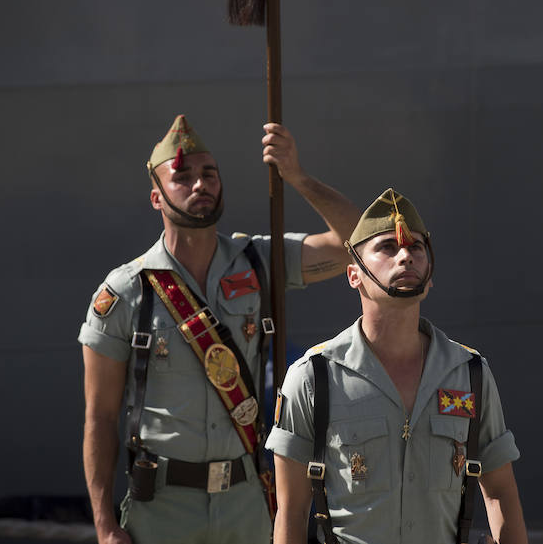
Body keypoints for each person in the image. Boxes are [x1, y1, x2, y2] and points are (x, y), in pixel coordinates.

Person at [79, 114, 360, 544]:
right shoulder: (125, 292)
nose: (199, 184)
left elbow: (354, 246)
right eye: (182, 176)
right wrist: (104, 526)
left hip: (245, 504)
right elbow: (100, 417)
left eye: (209, 174)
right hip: (161, 510)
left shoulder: (258, 261)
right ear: (156, 198)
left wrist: (296, 176)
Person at [266, 188, 529, 544]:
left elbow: (500, 494)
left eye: (416, 248)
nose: (405, 256)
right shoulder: (313, 377)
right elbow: (292, 511)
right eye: (387, 247)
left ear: (430, 273)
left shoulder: (470, 373)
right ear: (353, 275)